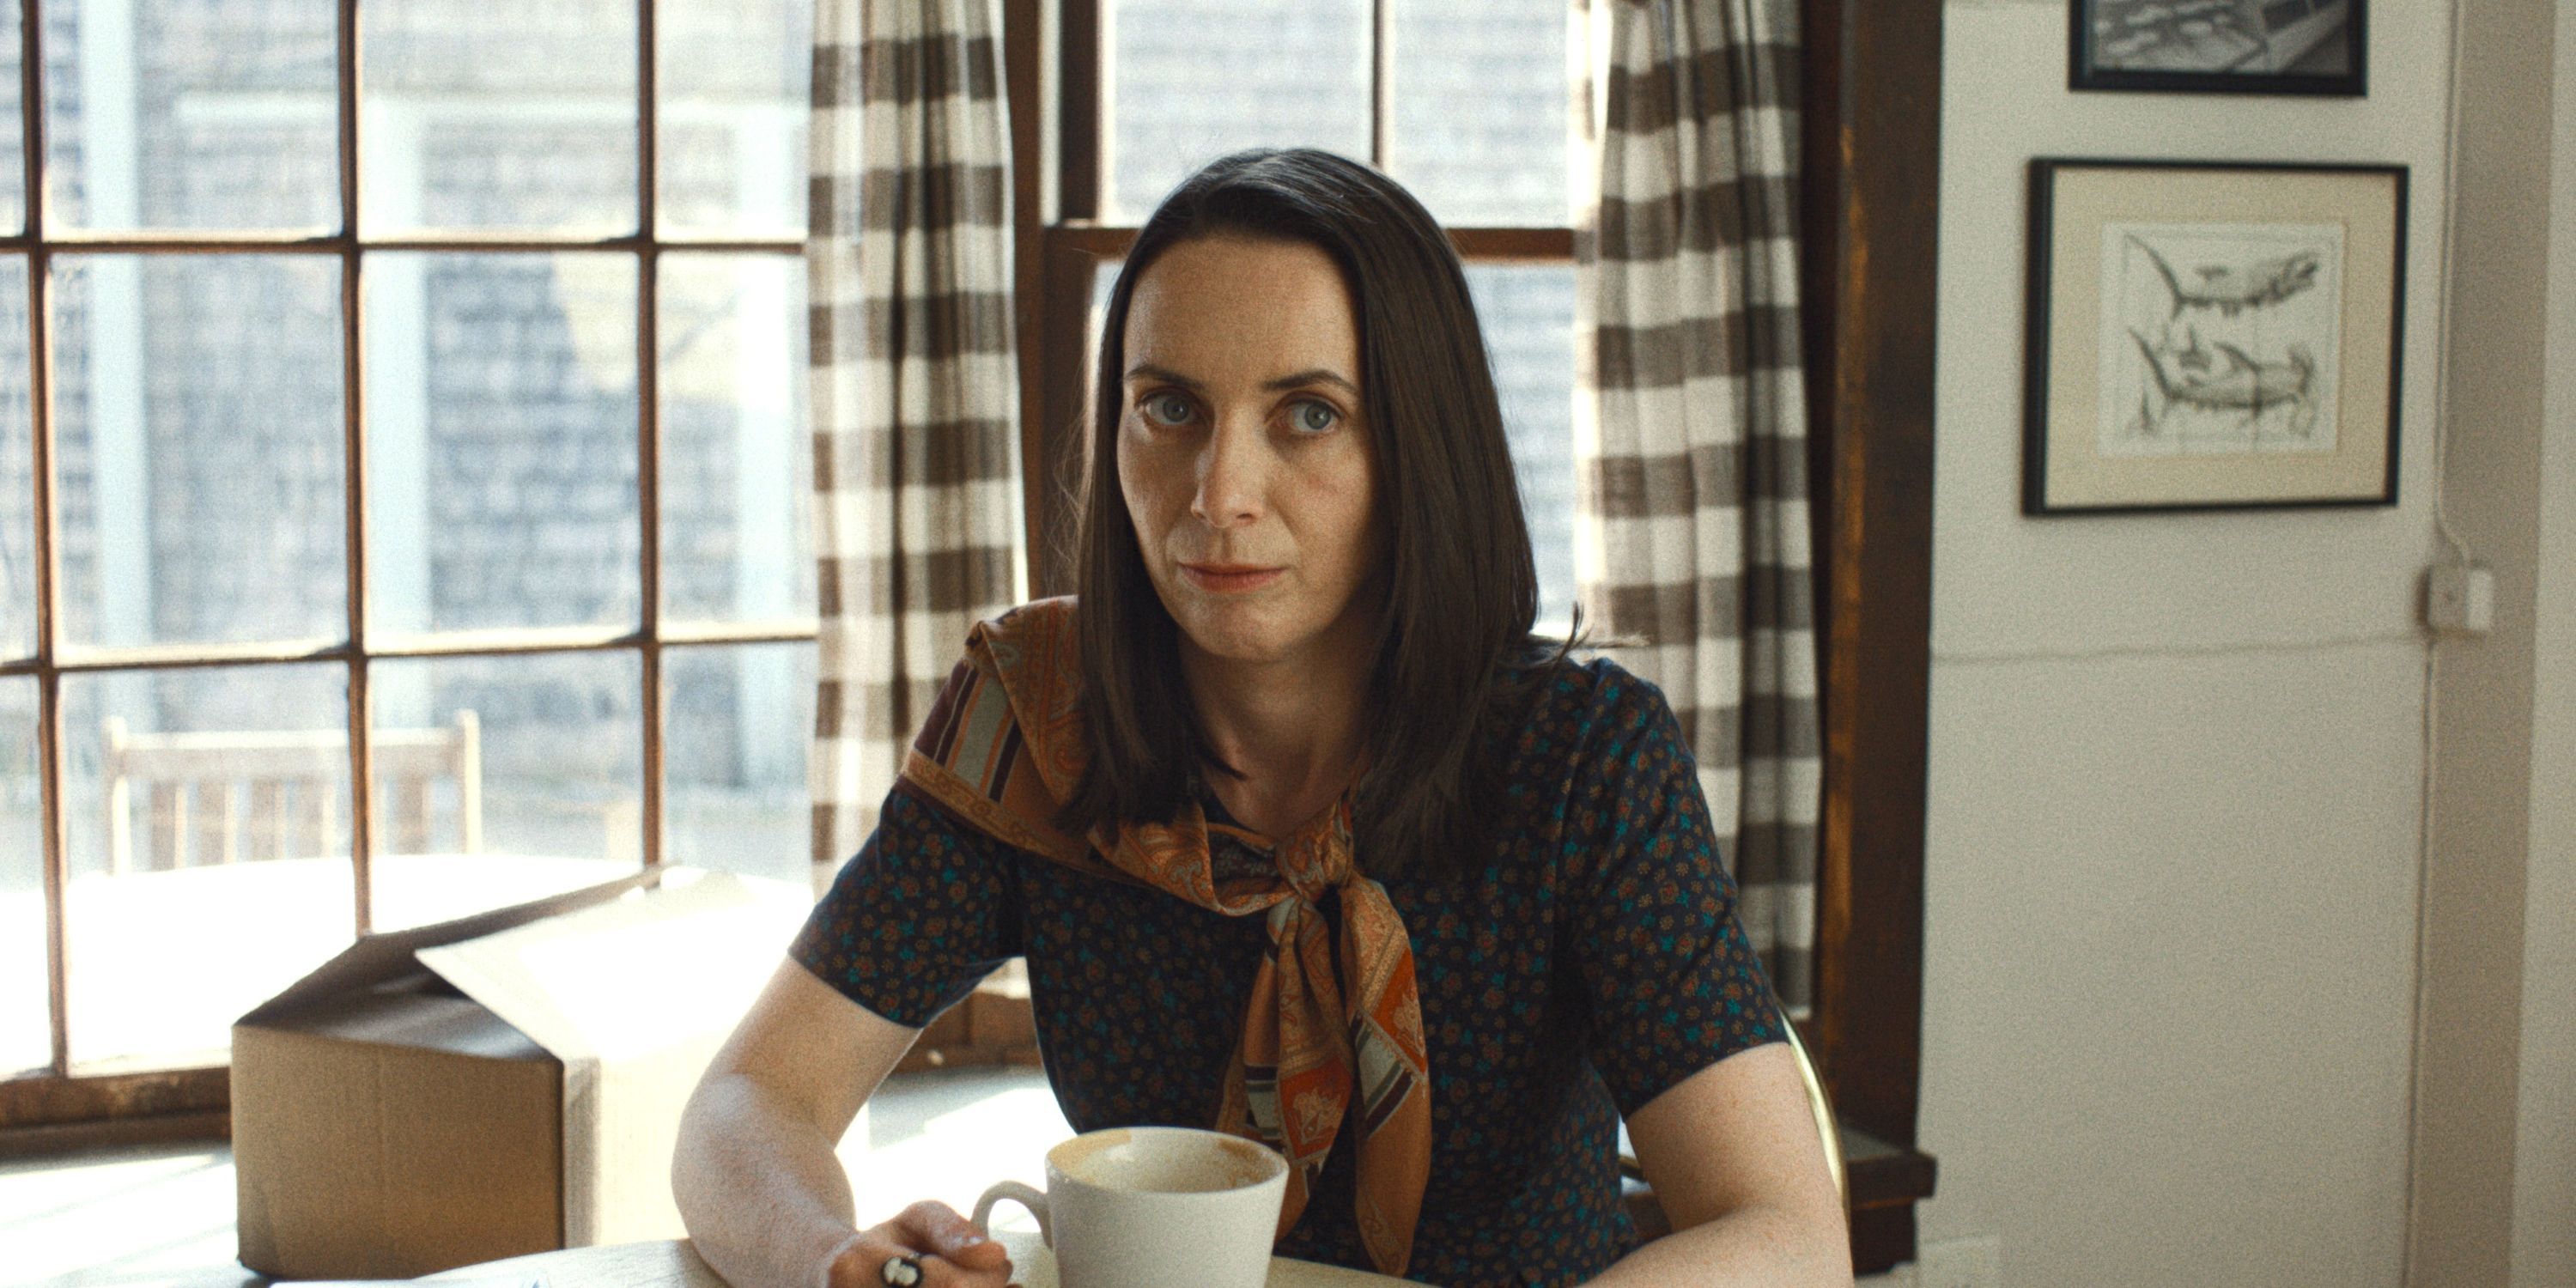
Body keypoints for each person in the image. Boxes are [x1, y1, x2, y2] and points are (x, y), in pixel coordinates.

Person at [672, 148, 1850, 1288]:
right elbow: (748, 1103)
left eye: (1309, 415)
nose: (1218, 494)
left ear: (1419, 444)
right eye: (1170, 407)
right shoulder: (1038, 716)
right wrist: (831, 1263)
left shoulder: (1584, 756)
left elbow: (1789, 1238)